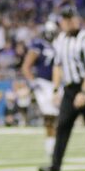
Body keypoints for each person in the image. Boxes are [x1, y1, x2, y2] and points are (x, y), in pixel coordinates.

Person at [39, 6, 85, 171]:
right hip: (70, 89)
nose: (69, 22)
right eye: (65, 19)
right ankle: (55, 168)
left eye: (71, 18)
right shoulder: (61, 39)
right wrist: (56, 89)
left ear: (77, 19)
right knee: (62, 126)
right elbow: (57, 65)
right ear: (61, 22)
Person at [22, 21, 59, 160]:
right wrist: (33, 82)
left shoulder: (59, 44)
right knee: (50, 116)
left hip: (57, 83)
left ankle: (54, 146)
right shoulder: (38, 45)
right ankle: (51, 148)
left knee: (58, 117)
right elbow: (26, 66)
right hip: (43, 84)